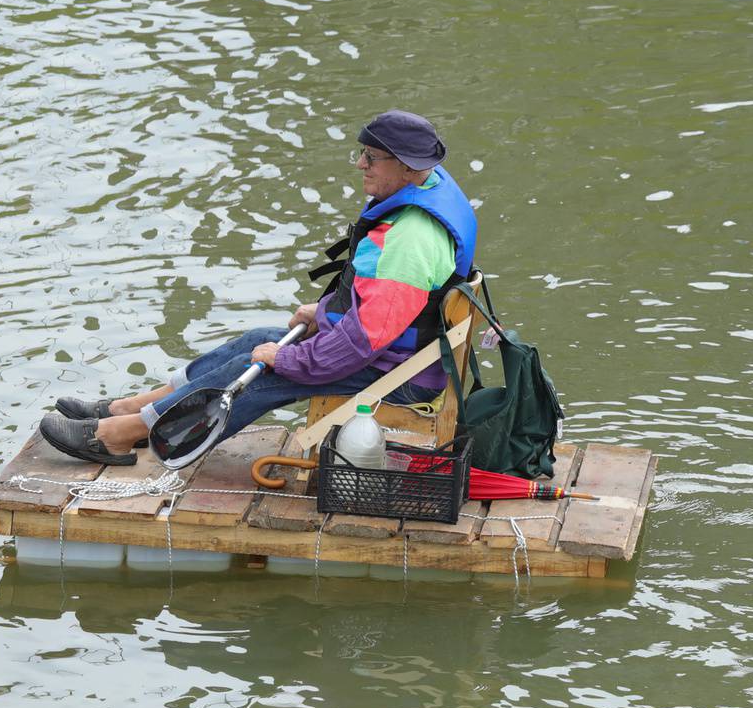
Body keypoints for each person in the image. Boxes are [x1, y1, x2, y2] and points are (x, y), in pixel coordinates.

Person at [38, 110, 478, 465]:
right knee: (255, 342)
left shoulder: (411, 239)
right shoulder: (429, 187)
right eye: (361, 153)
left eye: (371, 157)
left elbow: (364, 339)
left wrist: (290, 358)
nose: (361, 165)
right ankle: (131, 409)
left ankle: (118, 436)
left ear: (406, 165)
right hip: (394, 354)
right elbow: (377, 300)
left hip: (398, 375)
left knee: (260, 372)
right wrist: (323, 311)